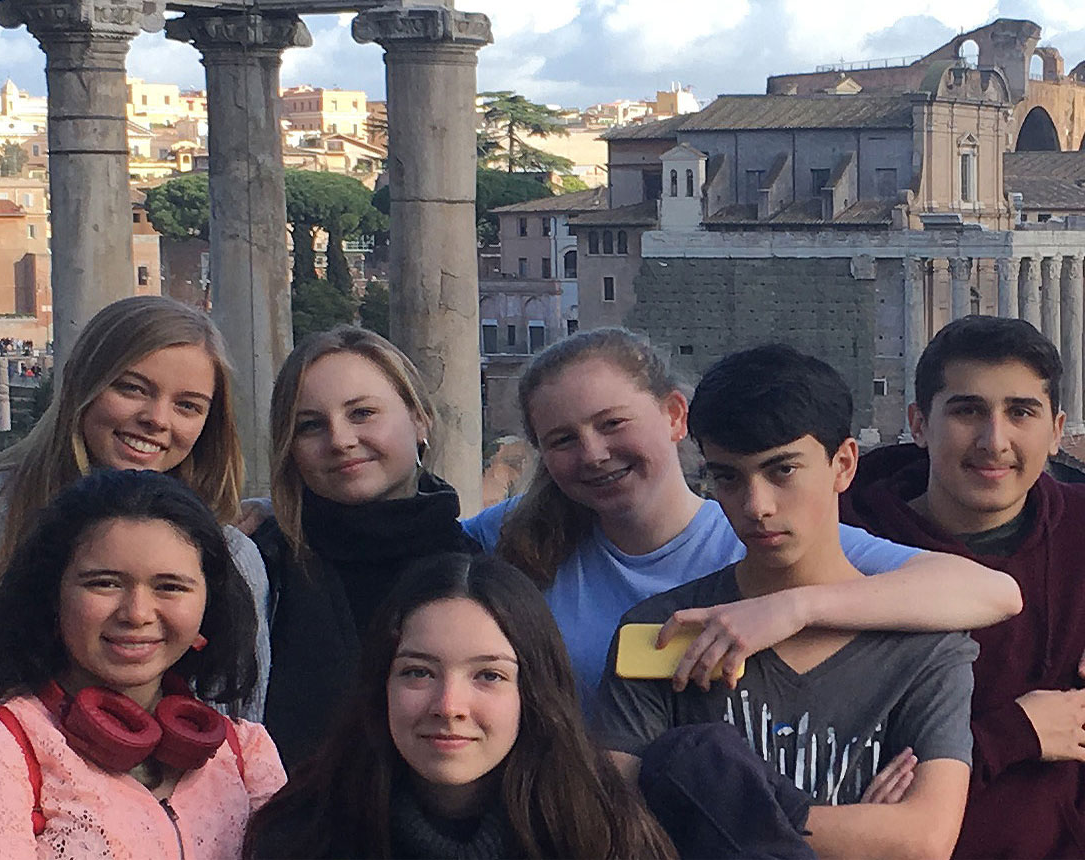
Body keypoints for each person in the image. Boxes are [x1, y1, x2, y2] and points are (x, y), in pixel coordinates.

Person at [467, 327, 1024, 695]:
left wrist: (793, 608)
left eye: (613, 424)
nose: (593, 454)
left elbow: (993, 592)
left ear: (673, 416)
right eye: (563, 440)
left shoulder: (759, 537)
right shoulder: (507, 537)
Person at [594, 344, 978, 860]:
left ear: (843, 465)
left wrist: (706, 808)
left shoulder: (926, 645)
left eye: (783, 471)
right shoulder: (660, 632)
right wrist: (856, 832)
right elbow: (619, 829)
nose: (757, 506)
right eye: (728, 477)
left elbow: (923, 841)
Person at [839, 316, 1085, 860]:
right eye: (968, 410)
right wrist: (1014, 733)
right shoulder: (848, 547)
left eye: (1021, 412)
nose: (994, 441)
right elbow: (850, 767)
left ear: (1058, 429)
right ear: (919, 424)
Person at [0, 296, 272, 719]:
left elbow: (241, 720)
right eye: (133, 388)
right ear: (82, 385)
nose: (157, 418)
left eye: (187, 406)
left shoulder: (235, 558)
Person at [0, 468, 288, 859]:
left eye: (170, 587)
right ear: (51, 598)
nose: (137, 613)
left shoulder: (246, 754)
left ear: (209, 607)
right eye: (105, 583)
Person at [254, 553, 679, 859]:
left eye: (488, 676)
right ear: (380, 682)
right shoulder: (304, 833)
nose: (449, 705)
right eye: (418, 672)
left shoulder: (601, 834)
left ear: (532, 691)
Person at [247, 326, 482, 742]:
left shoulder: (481, 571)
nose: (339, 440)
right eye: (310, 426)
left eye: (362, 413)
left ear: (419, 418)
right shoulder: (257, 567)